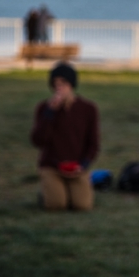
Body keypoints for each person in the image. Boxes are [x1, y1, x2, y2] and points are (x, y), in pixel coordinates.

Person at [30, 63, 100, 211]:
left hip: (76, 166)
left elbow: (93, 143)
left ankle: (69, 190)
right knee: (56, 205)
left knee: (82, 205)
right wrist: (50, 113)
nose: (59, 88)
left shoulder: (88, 109)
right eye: (55, 84)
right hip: (52, 166)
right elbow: (37, 140)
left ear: (71, 85)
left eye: (63, 83)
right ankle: (47, 193)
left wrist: (84, 164)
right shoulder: (44, 108)